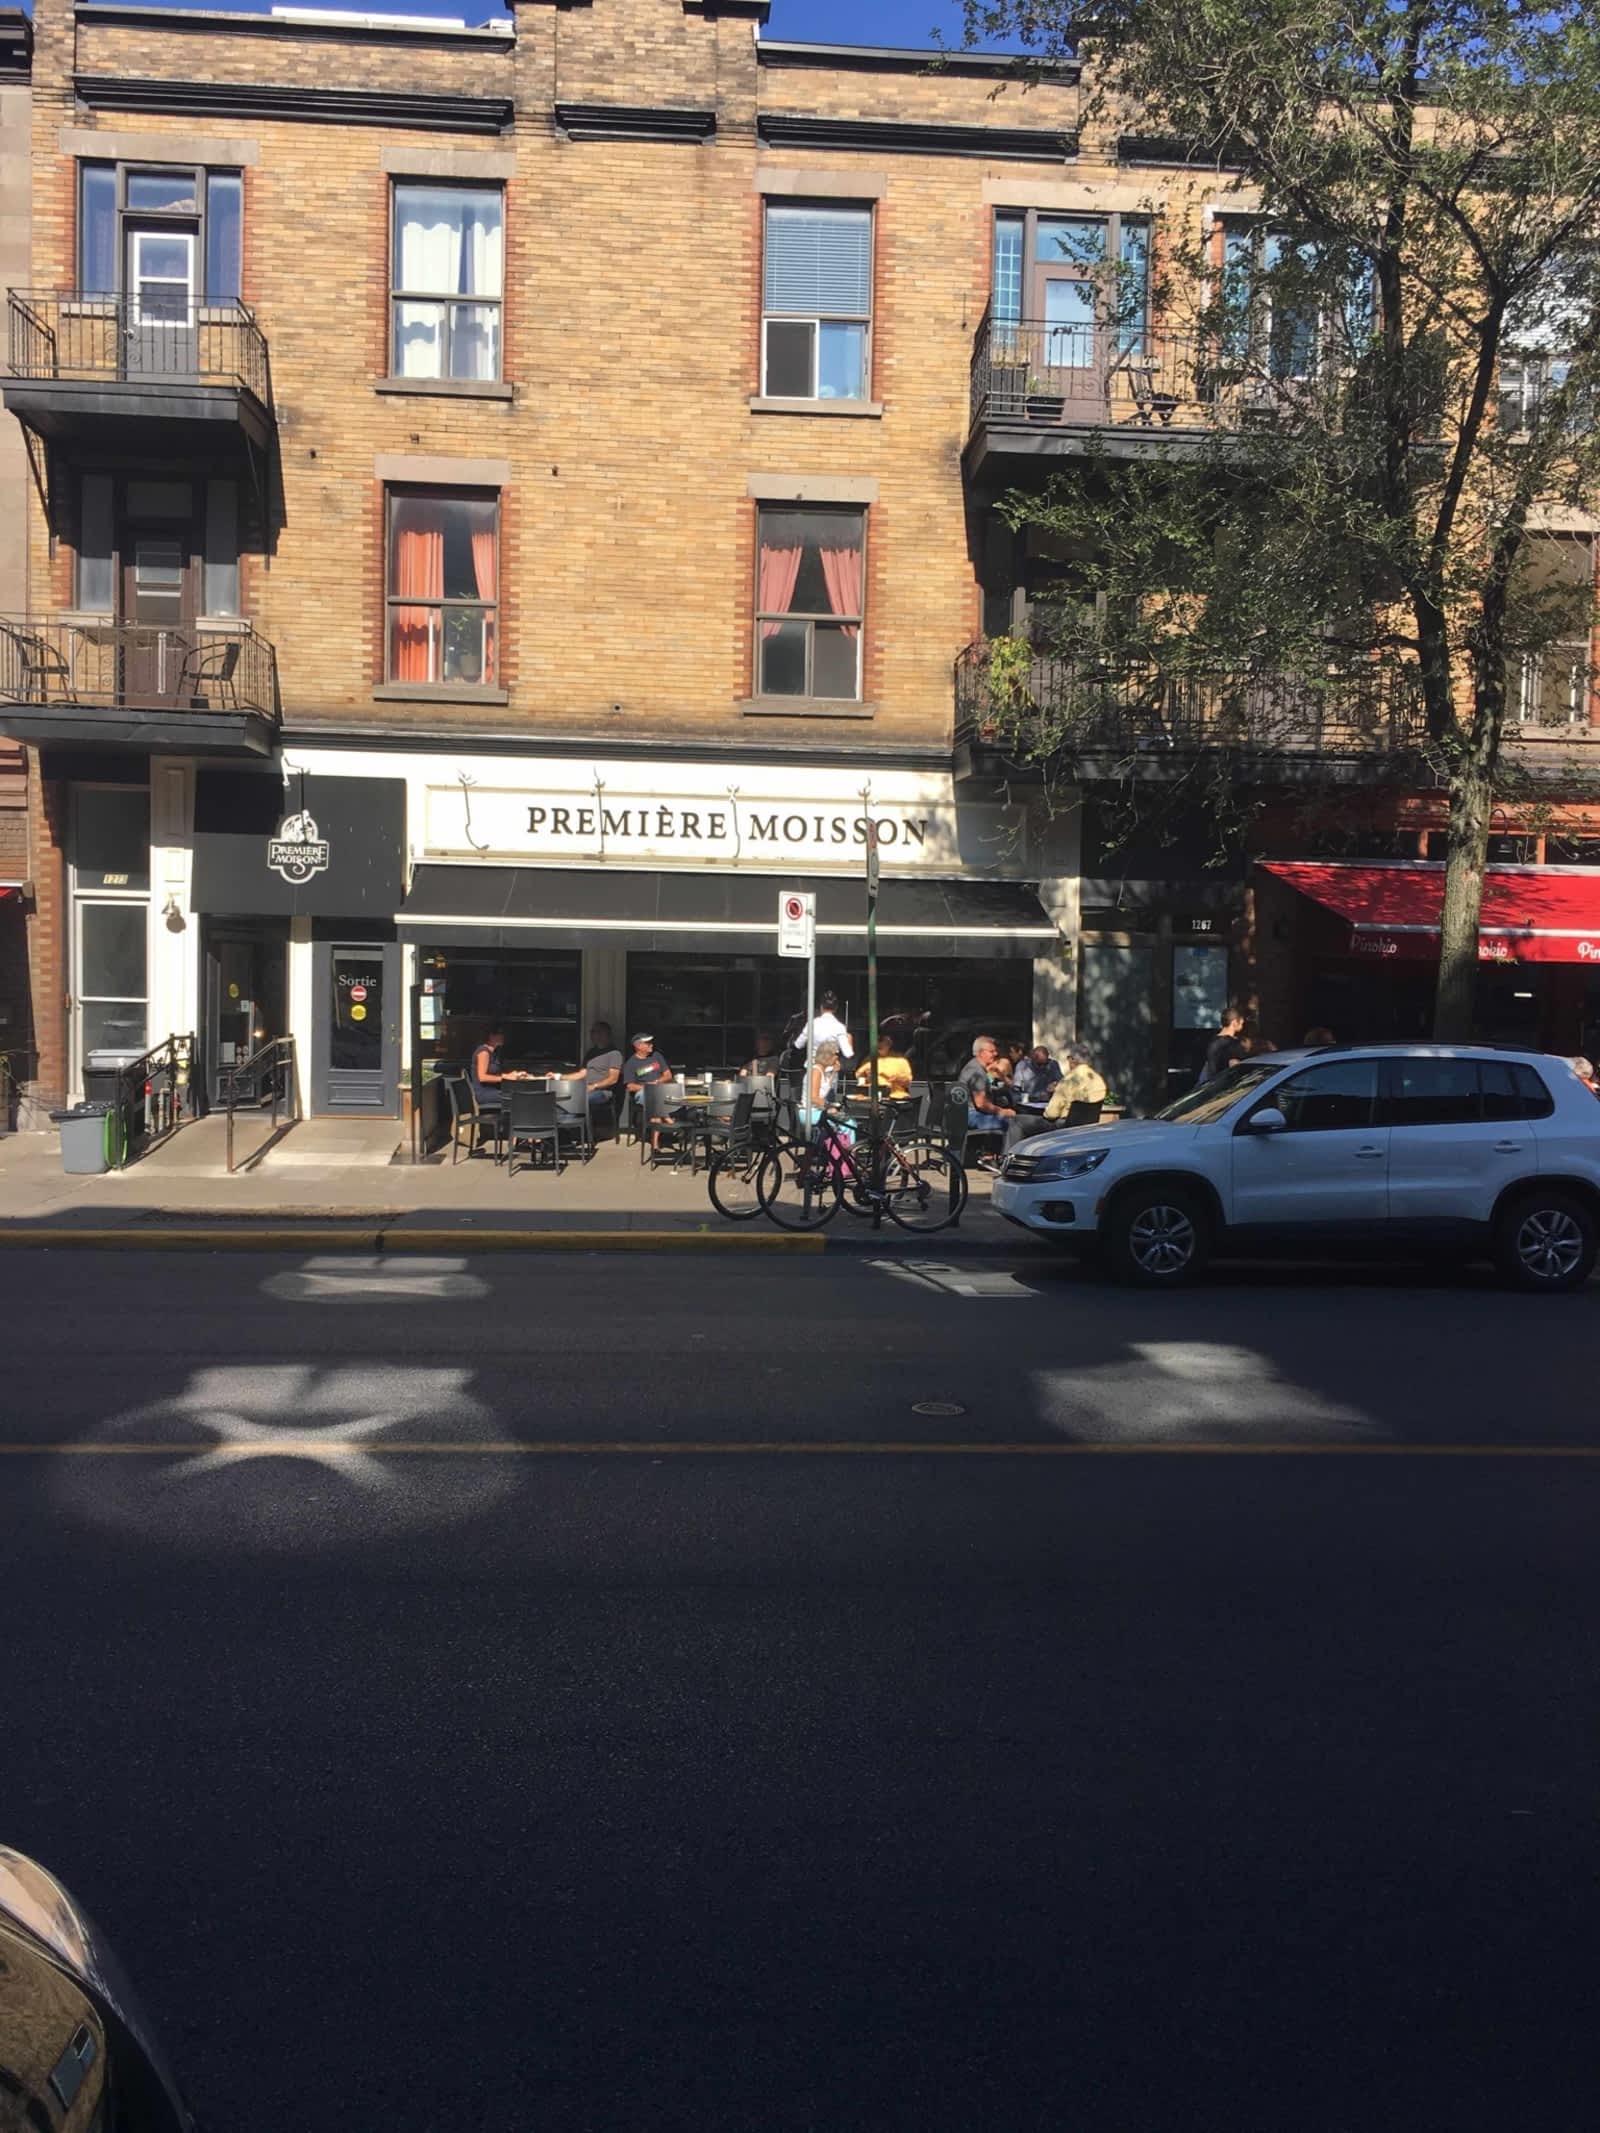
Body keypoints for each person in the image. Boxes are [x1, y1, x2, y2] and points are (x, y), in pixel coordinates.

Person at [958, 1035, 1017, 1165]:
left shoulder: (973, 1067)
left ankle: (989, 1154)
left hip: (963, 1113)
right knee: (1013, 1123)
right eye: (991, 1051)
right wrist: (1003, 1111)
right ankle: (1002, 1160)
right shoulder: (977, 1073)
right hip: (971, 1115)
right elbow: (981, 1104)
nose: (995, 1054)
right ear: (981, 1053)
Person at [575, 1023, 623, 1133]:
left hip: (603, 1092)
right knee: (563, 1099)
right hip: (585, 1089)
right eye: (592, 1032)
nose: (593, 1034)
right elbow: (582, 1073)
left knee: (581, 1099)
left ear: (606, 1034)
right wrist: (559, 1077)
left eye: (597, 1032)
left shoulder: (614, 1054)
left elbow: (613, 1079)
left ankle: (585, 1133)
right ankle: (566, 1131)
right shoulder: (591, 1053)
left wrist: (594, 1086)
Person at [1043, 1046, 1108, 1123]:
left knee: (1030, 1121)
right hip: (1090, 1124)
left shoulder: (1068, 1080)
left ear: (1072, 1059)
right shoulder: (1098, 1079)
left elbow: (1051, 1114)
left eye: (1068, 1058)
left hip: (1067, 1124)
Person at [853, 1033, 915, 1102]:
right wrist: (867, 1078)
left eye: (882, 1041)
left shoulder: (900, 1059)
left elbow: (908, 1081)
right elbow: (859, 1075)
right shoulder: (870, 1058)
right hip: (873, 1096)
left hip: (895, 1096)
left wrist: (897, 1079)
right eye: (877, 1041)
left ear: (889, 1043)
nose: (879, 1044)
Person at [1198, 1007, 1247, 1085]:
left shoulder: (1211, 1040)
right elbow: (1236, 1066)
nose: (1242, 1026)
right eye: (1241, 1023)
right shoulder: (1233, 1043)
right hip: (1227, 1084)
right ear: (1234, 1022)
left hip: (1212, 1084)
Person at [1012, 1043, 1062, 1114]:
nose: (1042, 1067)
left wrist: (1055, 1085)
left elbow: (1062, 1082)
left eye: (1045, 1064)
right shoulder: (1022, 1066)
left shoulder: (1053, 1064)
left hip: (1048, 1105)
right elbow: (1016, 1089)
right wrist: (1029, 1098)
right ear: (1032, 1059)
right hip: (1029, 1106)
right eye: (1039, 1064)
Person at [807, 991, 854, 1061]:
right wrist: (850, 1039)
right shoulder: (839, 1027)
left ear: (821, 1007)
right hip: (828, 1065)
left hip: (812, 1064)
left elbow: (798, 1044)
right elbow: (848, 1054)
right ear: (836, 1008)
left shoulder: (812, 1023)